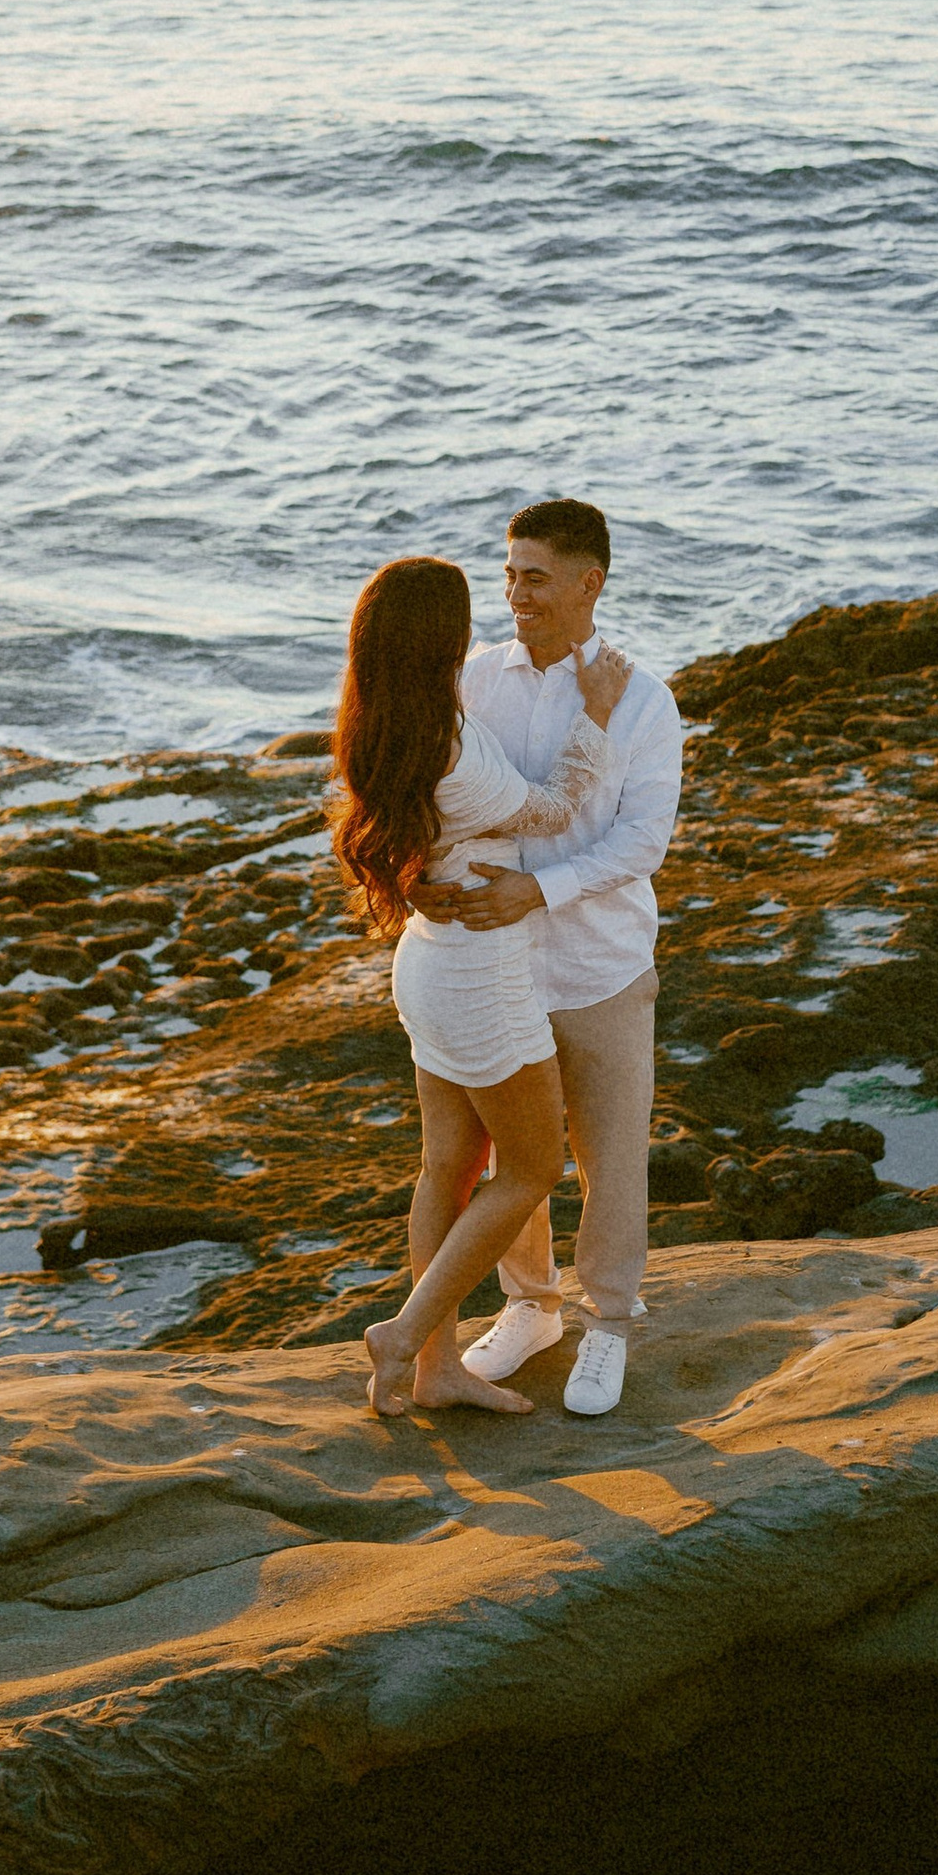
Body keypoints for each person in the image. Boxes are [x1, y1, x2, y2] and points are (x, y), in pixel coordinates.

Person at [330, 554, 633, 1420]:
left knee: (449, 1169)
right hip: (480, 973)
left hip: (430, 956)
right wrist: (598, 716)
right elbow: (551, 809)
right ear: (442, 639)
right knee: (532, 1164)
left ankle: (436, 1371)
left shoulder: (378, 723)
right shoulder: (448, 749)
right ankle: (406, 1334)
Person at [407, 498, 682, 1421]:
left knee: (609, 1155)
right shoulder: (476, 682)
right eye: (510, 572)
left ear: (587, 582)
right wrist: (414, 875)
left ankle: (608, 1322)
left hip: (599, 965)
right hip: (496, 967)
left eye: (533, 575)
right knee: (508, 1157)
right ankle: (530, 1306)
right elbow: (438, 794)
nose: (515, 593)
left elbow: (643, 842)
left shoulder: (642, 698)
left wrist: (539, 889)